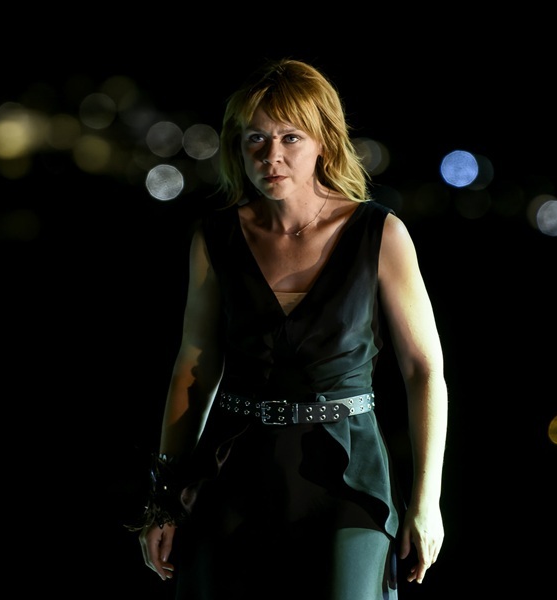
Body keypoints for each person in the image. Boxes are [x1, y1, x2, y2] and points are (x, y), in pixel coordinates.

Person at [131, 57, 448, 600]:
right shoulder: (216, 238)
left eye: (290, 137)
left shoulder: (379, 234)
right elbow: (195, 366)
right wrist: (163, 499)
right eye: (255, 138)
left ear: (324, 141)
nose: (270, 155)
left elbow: (424, 371)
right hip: (232, 469)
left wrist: (426, 501)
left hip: (348, 477)